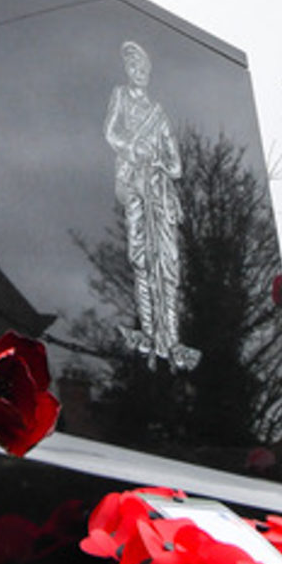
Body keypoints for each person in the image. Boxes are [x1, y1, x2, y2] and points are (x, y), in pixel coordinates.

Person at [103, 40, 200, 371]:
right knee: (141, 259)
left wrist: (157, 158)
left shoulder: (159, 114)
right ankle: (149, 332)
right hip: (135, 190)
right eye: (133, 67)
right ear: (127, 71)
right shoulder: (119, 95)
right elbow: (111, 133)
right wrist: (133, 149)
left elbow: (177, 167)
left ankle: (170, 339)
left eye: (144, 68)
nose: (139, 73)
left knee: (167, 267)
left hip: (159, 197)